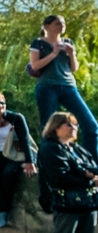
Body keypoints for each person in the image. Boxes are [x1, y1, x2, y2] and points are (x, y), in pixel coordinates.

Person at [38, 112, 98, 233]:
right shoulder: (50, 148)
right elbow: (60, 177)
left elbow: (92, 166)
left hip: (87, 202)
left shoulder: (75, 148)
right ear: (55, 128)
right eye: (69, 125)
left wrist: (90, 175)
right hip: (67, 203)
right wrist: (89, 179)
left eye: (75, 125)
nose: (74, 128)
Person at [30, 15, 98, 158]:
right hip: (47, 87)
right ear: (47, 26)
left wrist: (72, 54)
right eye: (58, 23)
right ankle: (50, 161)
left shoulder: (68, 42)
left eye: (63, 23)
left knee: (91, 125)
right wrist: (54, 53)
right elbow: (35, 65)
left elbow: (73, 68)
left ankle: (92, 164)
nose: (62, 26)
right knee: (48, 127)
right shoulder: (38, 43)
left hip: (68, 86)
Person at [0, 92, 37, 228]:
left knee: (8, 174)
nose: (0, 106)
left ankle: (0, 211)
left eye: (2, 103)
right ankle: (1, 209)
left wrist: (30, 162)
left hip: (15, 154)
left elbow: (26, 140)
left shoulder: (16, 118)